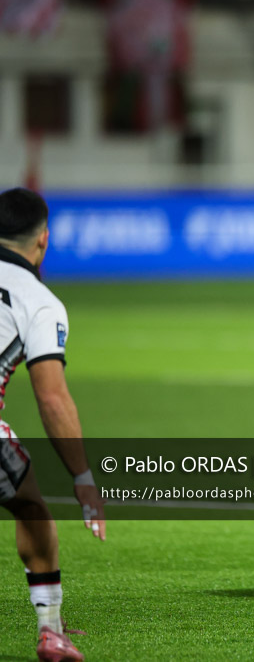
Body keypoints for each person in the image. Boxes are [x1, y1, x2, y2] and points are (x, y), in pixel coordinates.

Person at [0, 187, 105, 662]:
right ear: (43, 240)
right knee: (30, 505)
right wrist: (82, 477)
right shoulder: (37, 300)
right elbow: (51, 396)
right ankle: (50, 630)